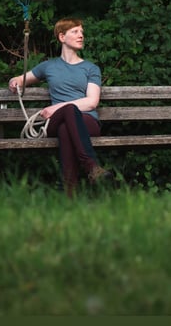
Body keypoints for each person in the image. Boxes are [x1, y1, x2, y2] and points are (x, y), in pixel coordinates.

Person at [8, 17, 113, 197]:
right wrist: (15, 81)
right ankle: (92, 168)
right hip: (54, 123)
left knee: (67, 125)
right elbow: (22, 78)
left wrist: (57, 108)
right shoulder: (49, 66)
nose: (81, 36)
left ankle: (66, 192)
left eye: (82, 32)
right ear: (62, 37)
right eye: (75, 32)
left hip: (87, 122)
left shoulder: (91, 68)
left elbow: (92, 102)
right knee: (67, 116)